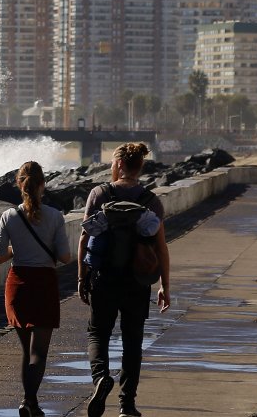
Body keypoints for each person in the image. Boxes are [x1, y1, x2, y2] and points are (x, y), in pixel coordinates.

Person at [77, 143, 171, 417]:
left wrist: (82, 277)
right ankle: (127, 406)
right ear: (140, 167)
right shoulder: (151, 200)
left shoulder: (100, 193)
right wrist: (165, 285)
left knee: (97, 334)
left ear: (118, 165)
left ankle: (101, 379)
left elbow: (85, 237)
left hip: (103, 278)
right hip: (137, 281)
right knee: (132, 341)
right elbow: (161, 247)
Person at [0, 161, 72, 417]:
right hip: (44, 284)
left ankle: (31, 403)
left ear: (20, 184)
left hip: (17, 285)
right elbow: (65, 257)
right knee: (39, 352)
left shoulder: (8, 216)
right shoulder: (54, 216)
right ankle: (28, 402)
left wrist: (18, 248)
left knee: (25, 351)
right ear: (43, 185)